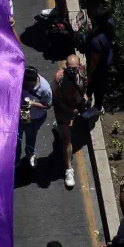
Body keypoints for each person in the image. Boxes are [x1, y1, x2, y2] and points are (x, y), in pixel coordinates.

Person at [52, 55, 87, 188]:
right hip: (63, 109)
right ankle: (69, 170)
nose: (72, 71)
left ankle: (59, 128)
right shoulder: (59, 78)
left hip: (76, 106)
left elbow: (84, 87)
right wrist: (69, 110)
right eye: (70, 68)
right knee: (67, 139)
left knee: (65, 130)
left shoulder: (83, 72)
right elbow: (56, 100)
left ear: (79, 66)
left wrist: (84, 97)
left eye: (75, 68)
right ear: (66, 66)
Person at [82, 7, 115, 119]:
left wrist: (89, 74)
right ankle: (88, 96)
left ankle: (97, 108)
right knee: (93, 83)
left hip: (99, 66)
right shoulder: (109, 23)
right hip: (106, 58)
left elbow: (94, 61)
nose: (89, 20)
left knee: (98, 86)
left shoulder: (95, 41)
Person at [17, 66, 52, 168]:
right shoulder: (22, 80)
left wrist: (33, 104)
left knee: (30, 137)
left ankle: (30, 153)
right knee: (17, 139)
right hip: (24, 112)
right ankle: (15, 160)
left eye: (27, 84)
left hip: (35, 117)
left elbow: (48, 105)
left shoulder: (45, 89)